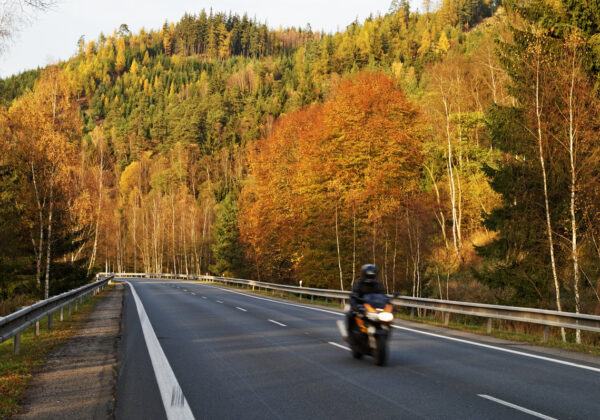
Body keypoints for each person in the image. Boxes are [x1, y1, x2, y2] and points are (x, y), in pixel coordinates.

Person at [346, 264, 385, 336]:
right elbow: (354, 295)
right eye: (368, 276)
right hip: (360, 305)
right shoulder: (358, 283)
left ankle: (383, 332)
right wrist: (355, 305)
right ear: (364, 274)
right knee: (350, 314)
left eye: (372, 276)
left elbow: (383, 296)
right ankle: (349, 333)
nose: (370, 278)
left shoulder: (378, 284)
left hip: (373, 307)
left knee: (386, 319)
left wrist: (388, 304)